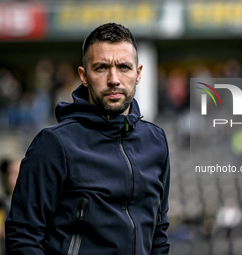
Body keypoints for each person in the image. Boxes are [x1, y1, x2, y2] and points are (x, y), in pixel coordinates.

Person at [5, 22, 170, 255]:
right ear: (84, 75)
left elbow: (158, 233)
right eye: (101, 68)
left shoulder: (156, 141)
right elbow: (23, 237)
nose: (114, 79)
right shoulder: (53, 144)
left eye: (124, 67)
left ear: (139, 73)